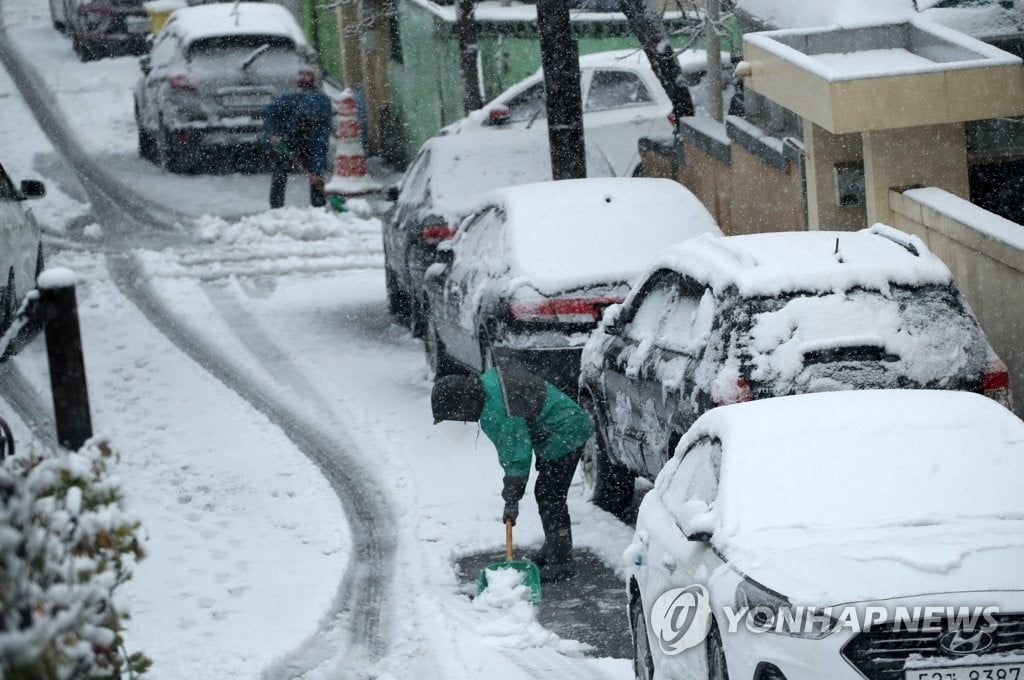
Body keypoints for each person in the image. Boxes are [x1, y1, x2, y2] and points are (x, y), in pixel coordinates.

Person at [431, 366, 594, 582]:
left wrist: (511, 499)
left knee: (551, 496)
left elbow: (516, 455)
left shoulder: (496, 411)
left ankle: (561, 561)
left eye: (455, 415)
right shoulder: (489, 384)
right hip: (561, 427)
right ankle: (555, 546)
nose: (461, 420)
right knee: (547, 493)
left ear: (463, 403)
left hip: (564, 433)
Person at [262, 79, 332, 209]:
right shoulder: (289, 101)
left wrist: (316, 171)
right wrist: (273, 133)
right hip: (284, 136)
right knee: (281, 168)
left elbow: (320, 146)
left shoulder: (323, 119)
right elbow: (269, 113)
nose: (313, 120)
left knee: (316, 172)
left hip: (309, 139)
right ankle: (276, 206)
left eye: (316, 119)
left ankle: (318, 205)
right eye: (310, 117)